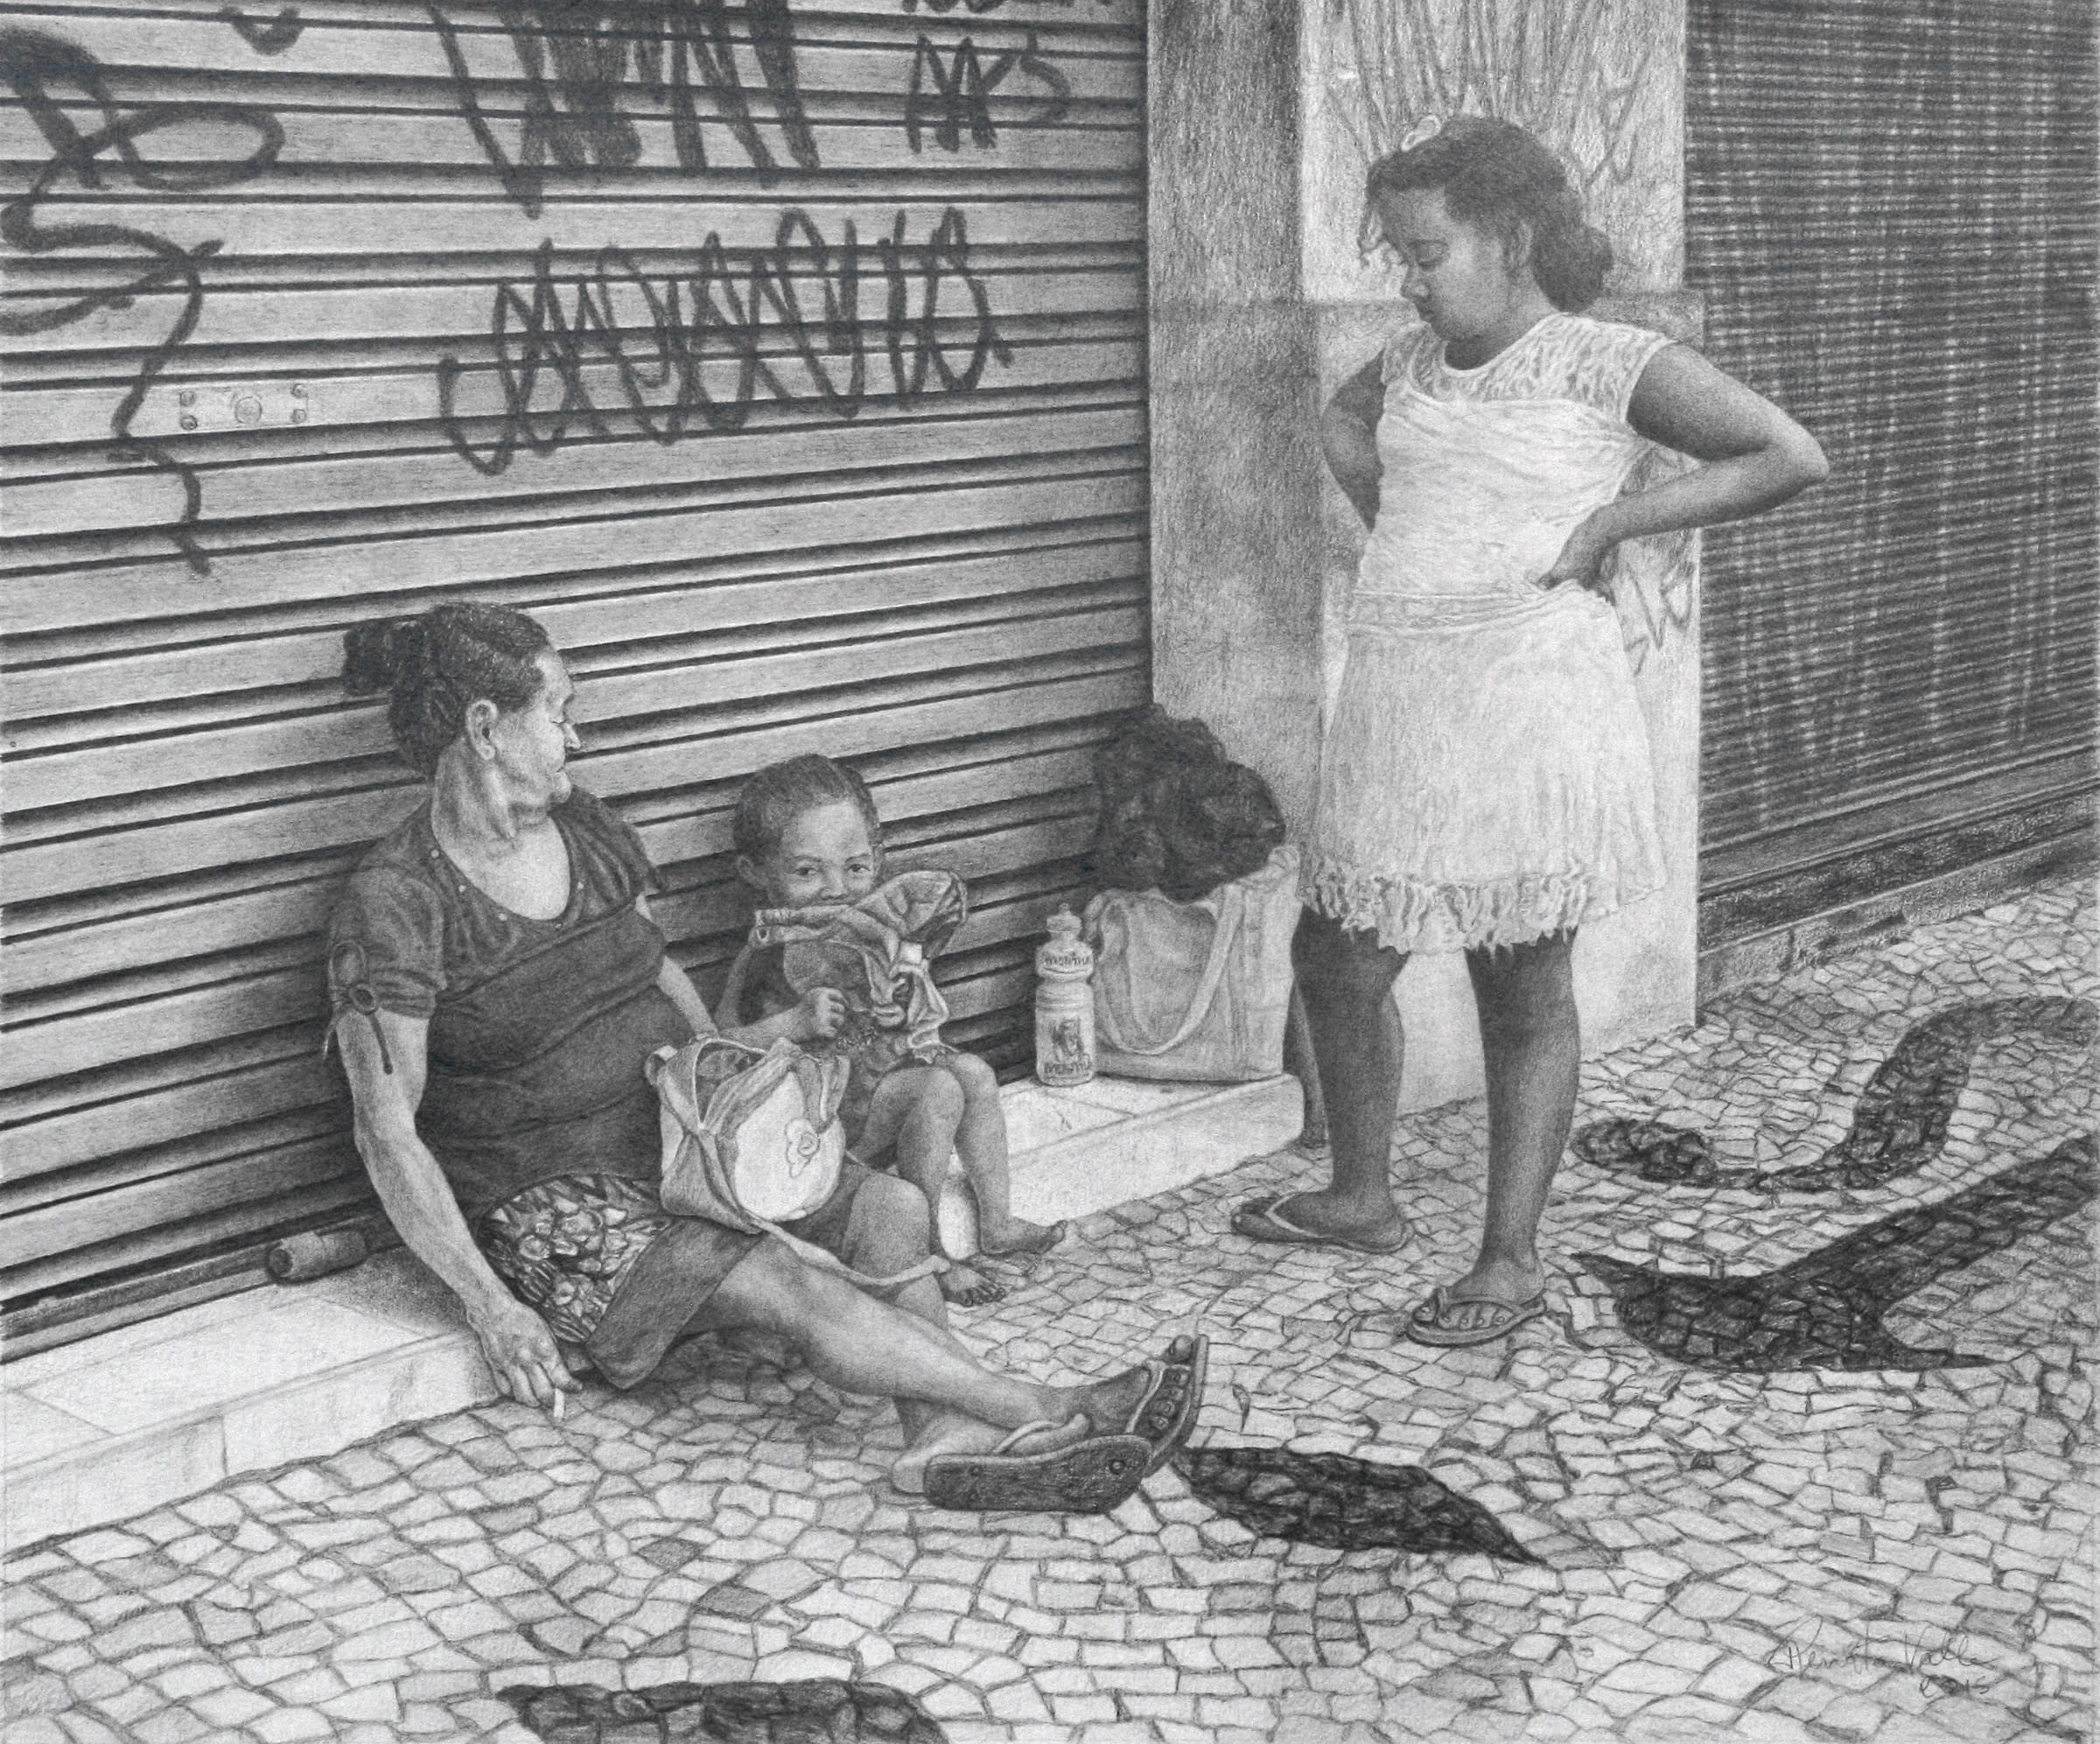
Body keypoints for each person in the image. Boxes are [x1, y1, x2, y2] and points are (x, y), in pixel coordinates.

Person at [326, 602, 1202, 1500]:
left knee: (892, 1205)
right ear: (486, 729)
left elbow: (655, 967)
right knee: (787, 1278)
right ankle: (1049, 1406)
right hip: (555, 1200)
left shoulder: (584, 827)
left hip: (676, 1130)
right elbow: (386, 1131)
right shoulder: (396, 903)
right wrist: (491, 1307)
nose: (574, 738)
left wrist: (727, 1077)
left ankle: (936, 1435)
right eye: (558, 713)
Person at [1233, 116, 1828, 1346]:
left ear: (1509, 237)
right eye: (1397, 254)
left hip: (1528, 700)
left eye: (1427, 252)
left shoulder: (1607, 359)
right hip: (1403, 693)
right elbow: (1344, 426)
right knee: (1338, 954)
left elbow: (1787, 455)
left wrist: (1611, 527)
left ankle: (1507, 1257)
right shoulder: (1406, 361)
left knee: (1519, 979)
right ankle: (1361, 1196)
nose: (1408, 279)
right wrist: (1407, 538)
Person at [723, 753, 1066, 1308]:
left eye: (856, 868)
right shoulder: (766, 953)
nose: (837, 889)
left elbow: (893, 1016)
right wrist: (793, 1022)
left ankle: (997, 1223)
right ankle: (929, 1250)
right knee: (937, 1089)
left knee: (974, 1073)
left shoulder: (870, 937)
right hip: (820, 1123)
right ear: (755, 873)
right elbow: (717, 1046)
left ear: (877, 860)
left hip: (873, 1086)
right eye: (808, 872)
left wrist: (898, 1008)